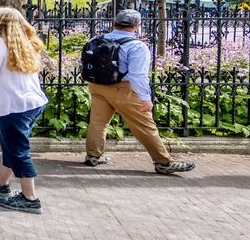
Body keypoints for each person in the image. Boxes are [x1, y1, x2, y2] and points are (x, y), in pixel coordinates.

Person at [83, 9, 196, 174]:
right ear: (137, 26)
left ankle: (93, 155)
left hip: (97, 85)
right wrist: (145, 98)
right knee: (145, 125)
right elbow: (137, 76)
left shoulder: (97, 39)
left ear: (115, 23)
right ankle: (163, 162)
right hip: (123, 89)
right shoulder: (136, 46)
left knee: (98, 123)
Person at [0, 7, 49, 214]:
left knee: (18, 150)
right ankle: (0, 182)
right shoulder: (25, 43)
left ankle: (30, 197)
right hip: (30, 103)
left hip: (13, 106)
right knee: (11, 146)